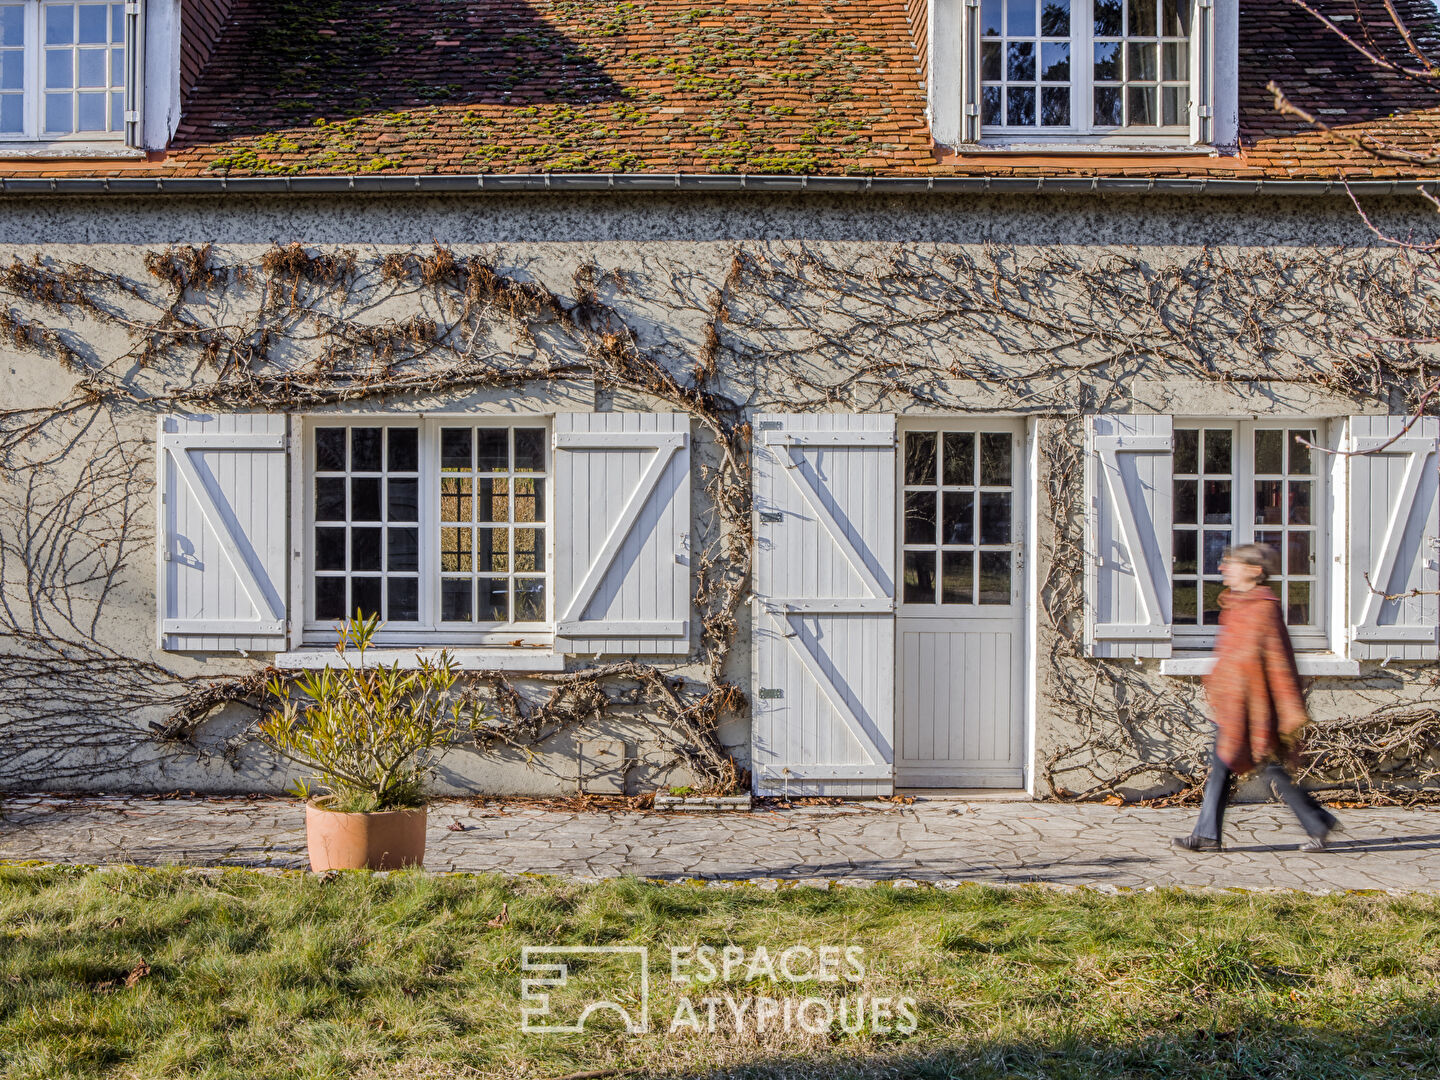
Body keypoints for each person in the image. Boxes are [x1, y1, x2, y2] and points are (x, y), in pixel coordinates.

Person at [1173, 543, 1342, 854]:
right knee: (1225, 765)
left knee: (1267, 767)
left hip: (1258, 709)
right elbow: (1232, 658)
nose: (1224, 569)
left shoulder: (1263, 609)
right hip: (1235, 707)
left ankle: (1316, 822)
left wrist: (1284, 710)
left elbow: (1279, 663)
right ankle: (1209, 833)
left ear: (1254, 571)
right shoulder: (1236, 606)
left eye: (1231, 564)